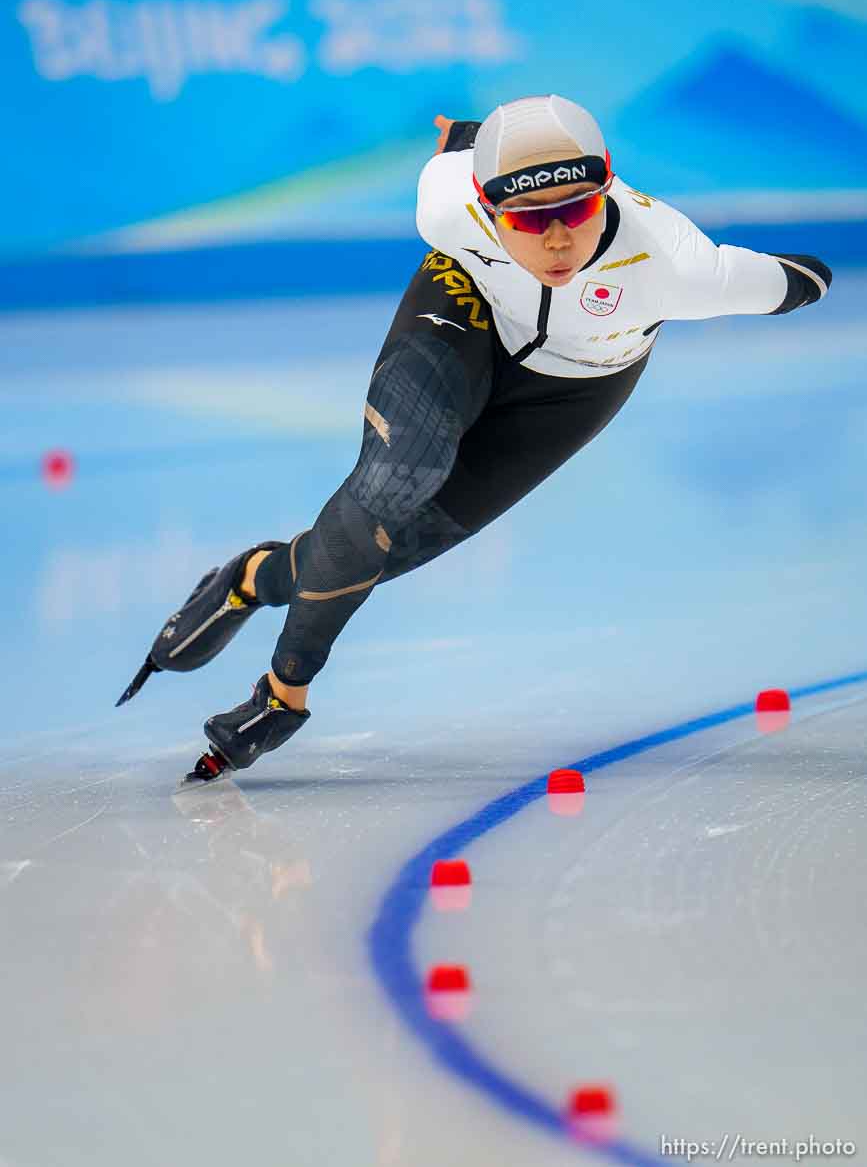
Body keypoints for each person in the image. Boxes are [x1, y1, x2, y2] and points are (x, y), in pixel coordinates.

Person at [117, 94, 832, 783]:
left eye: (575, 211)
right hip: (464, 312)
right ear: (486, 207)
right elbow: (458, 152)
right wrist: (464, 139)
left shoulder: (675, 265)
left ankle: (250, 578)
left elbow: (803, 279)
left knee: (382, 555)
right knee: (396, 478)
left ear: (606, 187)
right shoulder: (446, 205)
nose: (555, 238)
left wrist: (803, 280)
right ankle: (283, 697)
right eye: (526, 220)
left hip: (572, 392)